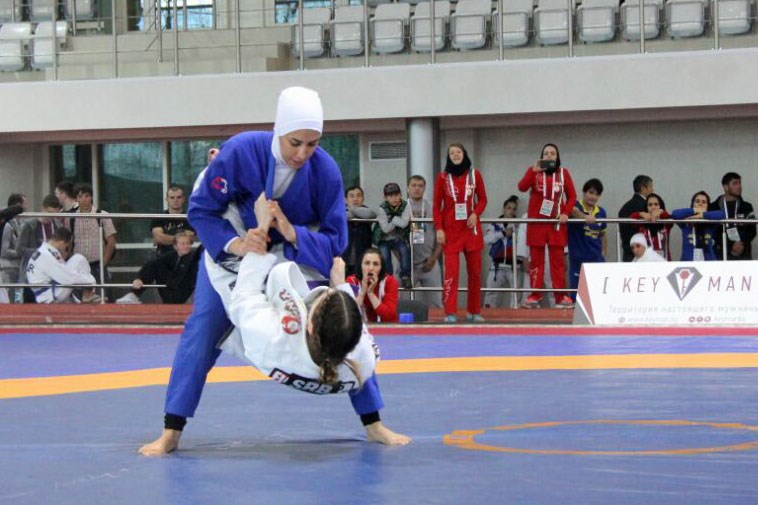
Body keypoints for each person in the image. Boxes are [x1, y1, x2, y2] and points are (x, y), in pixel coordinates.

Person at [139, 86, 406, 456]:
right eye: (295, 142)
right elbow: (201, 210)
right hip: (231, 253)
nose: (303, 154)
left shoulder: (325, 171)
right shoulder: (241, 151)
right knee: (202, 333)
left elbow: (336, 241)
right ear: (278, 130)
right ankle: (171, 430)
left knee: (341, 325)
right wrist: (238, 245)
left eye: (312, 144)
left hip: (295, 255)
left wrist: (292, 233)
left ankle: (373, 422)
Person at [433, 143, 488, 323]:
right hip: (451, 232)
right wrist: (439, 228)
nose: (456, 155)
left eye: (458, 152)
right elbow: (436, 206)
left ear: (464, 154)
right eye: (452, 153)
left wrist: (475, 213)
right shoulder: (442, 177)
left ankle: (474, 311)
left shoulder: (475, 175)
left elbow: (483, 200)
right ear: (448, 157)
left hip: (471, 230)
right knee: (451, 273)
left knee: (475, 273)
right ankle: (450, 312)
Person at [518, 143, 577, 309]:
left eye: (552, 153)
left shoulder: (563, 173)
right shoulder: (534, 171)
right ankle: (534, 296)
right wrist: (533, 171)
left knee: (557, 262)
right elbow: (521, 187)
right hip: (537, 223)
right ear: (542, 156)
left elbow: (572, 196)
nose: (549, 155)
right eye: (546, 153)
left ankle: (561, 297)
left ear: (557, 157)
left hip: (556, 224)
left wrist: (565, 212)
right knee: (536, 262)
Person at [116, 232, 202, 304]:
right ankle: (133, 294)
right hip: (169, 288)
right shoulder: (171, 256)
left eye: (188, 243)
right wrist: (139, 278)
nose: (186, 246)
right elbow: (154, 264)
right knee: (154, 264)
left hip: (183, 288)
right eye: (183, 244)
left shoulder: (193, 257)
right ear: (175, 246)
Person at [66, 183, 118, 300]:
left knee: (103, 297)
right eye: (80, 196)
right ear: (76, 199)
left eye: (86, 196)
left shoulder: (102, 215)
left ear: (91, 197)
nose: (84, 199)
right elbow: (68, 241)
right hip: (78, 266)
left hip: (97, 264)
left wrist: (103, 263)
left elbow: (111, 241)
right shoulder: (71, 217)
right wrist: (70, 261)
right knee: (78, 299)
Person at [25, 227, 99, 303]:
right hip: (49, 295)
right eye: (66, 246)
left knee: (79, 259)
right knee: (77, 263)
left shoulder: (45, 250)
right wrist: (91, 281)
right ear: (62, 243)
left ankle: (87, 294)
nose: (66, 249)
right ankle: (88, 294)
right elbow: (68, 279)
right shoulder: (46, 256)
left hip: (51, 288)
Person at [17, 194, 63, 301]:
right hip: (32, 276)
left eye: (55, 214)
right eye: (49, 212)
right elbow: (19, 249)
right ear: (43, 208)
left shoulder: (58, 225)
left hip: (51, 276)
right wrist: (40, 252)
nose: (51, 217)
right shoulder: (29, 225)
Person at [568, 179, 607, 301]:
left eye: (597, 194)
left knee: (598, 294)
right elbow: (573, 211)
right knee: (576, 295)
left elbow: (603, 235)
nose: (593, 197)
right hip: (578, 258)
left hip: (596, 258)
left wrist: (603, 253)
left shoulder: (601, 212)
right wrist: (585, 217)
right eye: (591, 192)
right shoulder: (575, 205)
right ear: (584, 192)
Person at [407, 175, 442, 308]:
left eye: (420, 186)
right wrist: (403, 260)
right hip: (406, 265)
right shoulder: (401, 207)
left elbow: (442, 236)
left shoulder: (433, 208)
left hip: (429, 263)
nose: (417, 188)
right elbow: (392, 238)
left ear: (424, 188)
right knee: (399, 302)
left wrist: (433, 258)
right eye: (414, 185)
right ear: (408, 188)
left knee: (436, 304)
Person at [373, 182, 412, 289]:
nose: (394, 198)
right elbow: (385, 229)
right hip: (383, 238)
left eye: (396, 195)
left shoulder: (405, 205)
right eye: (390, 196)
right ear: (385, 197)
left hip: (399, 237)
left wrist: (393, 219)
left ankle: (405, 276)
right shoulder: (382, 208)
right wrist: (397, 220)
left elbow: (404, 224)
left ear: (401, 194)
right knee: (385, 258)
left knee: (405, 251)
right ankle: (387, 279)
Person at [483, 196, 519, 309]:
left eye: (514, 209)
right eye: (509, 208)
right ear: (504, 209)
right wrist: (502, 233)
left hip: (514, 266)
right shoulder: (494, 224)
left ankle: (516, 316)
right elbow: (487, 240)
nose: (511, 211)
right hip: (497, 265)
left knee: (516, 295)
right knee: (490, 294)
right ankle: (489, 316)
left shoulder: (519, 225)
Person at [710, 172, 756, 260]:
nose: (739, 186)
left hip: (743, 253)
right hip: (720, 254)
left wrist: (740, 244)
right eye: (735, 183)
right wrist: (731, 245)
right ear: (726, 187)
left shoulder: (747, 207)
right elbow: (712, 231)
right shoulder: (713, 207)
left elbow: (752, 231)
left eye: (740, 183)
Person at [347, 247, 399, 323]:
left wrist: (370, 293)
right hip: (359, 328)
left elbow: (389, 316)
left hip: (386, 328)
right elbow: (349, 315)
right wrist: (362, 292)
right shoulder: (352, 281)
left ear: (381, 268)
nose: (371, 268)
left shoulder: (390, 282)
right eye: (367, 263)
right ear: (360, 266)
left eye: (375, 264)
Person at [670, 191, 725, 261]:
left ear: (707, 206)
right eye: (697, 201)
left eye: (704, 202)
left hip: (708, 262)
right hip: (688, 262)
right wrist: (695, 210)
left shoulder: (710, 222)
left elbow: (722, 215)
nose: (700, 204)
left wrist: (701, 215)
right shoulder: (686, 220)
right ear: (692, 204)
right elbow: (675, 214)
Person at [150, 185, 195, 257]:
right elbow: (158, 238)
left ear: (183, 199)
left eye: (179, 197)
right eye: (172, 197)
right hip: (163, 258)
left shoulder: (189, 217)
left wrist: (166, 238)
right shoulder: (159, 217)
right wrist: (181, 239)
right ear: (167, 199)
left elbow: (189, 238)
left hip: (184, 258)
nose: (175, 200)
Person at [1, 193, 29, 303]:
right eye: (25, 204)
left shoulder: (19, 224)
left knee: (16, 298)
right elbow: (4, 251)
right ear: (18, 205)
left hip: (17, 267)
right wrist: (20, 252)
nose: (27, 207)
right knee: (9, 299)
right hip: (8, 268)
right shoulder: (7, 226)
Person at [618, 175, 654, 262]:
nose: (653, 190)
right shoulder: (645, 206)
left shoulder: (625, 207)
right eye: (651, 187)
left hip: (628, 252)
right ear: (643, 188)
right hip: (642, 254)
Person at [342, 185, 376, 278]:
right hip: (344, 260)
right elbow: (342, 216)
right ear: (346, 199)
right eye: (351, 196)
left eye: (358, 195)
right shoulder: (340, 210)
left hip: (363, 260)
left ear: (363, 198)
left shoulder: (367, 211)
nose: (355, 199)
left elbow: (370, 215)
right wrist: (356, 212)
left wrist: (352, 208)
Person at [630, 193, 672, 260]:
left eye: (656, 204)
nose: (653, 207)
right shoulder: (642, 223)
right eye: (650, 205)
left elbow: (669, 216)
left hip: (664, 261)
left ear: (660, 205)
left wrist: (661, 211)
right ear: (646, 207)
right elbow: (632, 217)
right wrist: (641, 214)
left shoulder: (665, 223)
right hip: (646, 262)